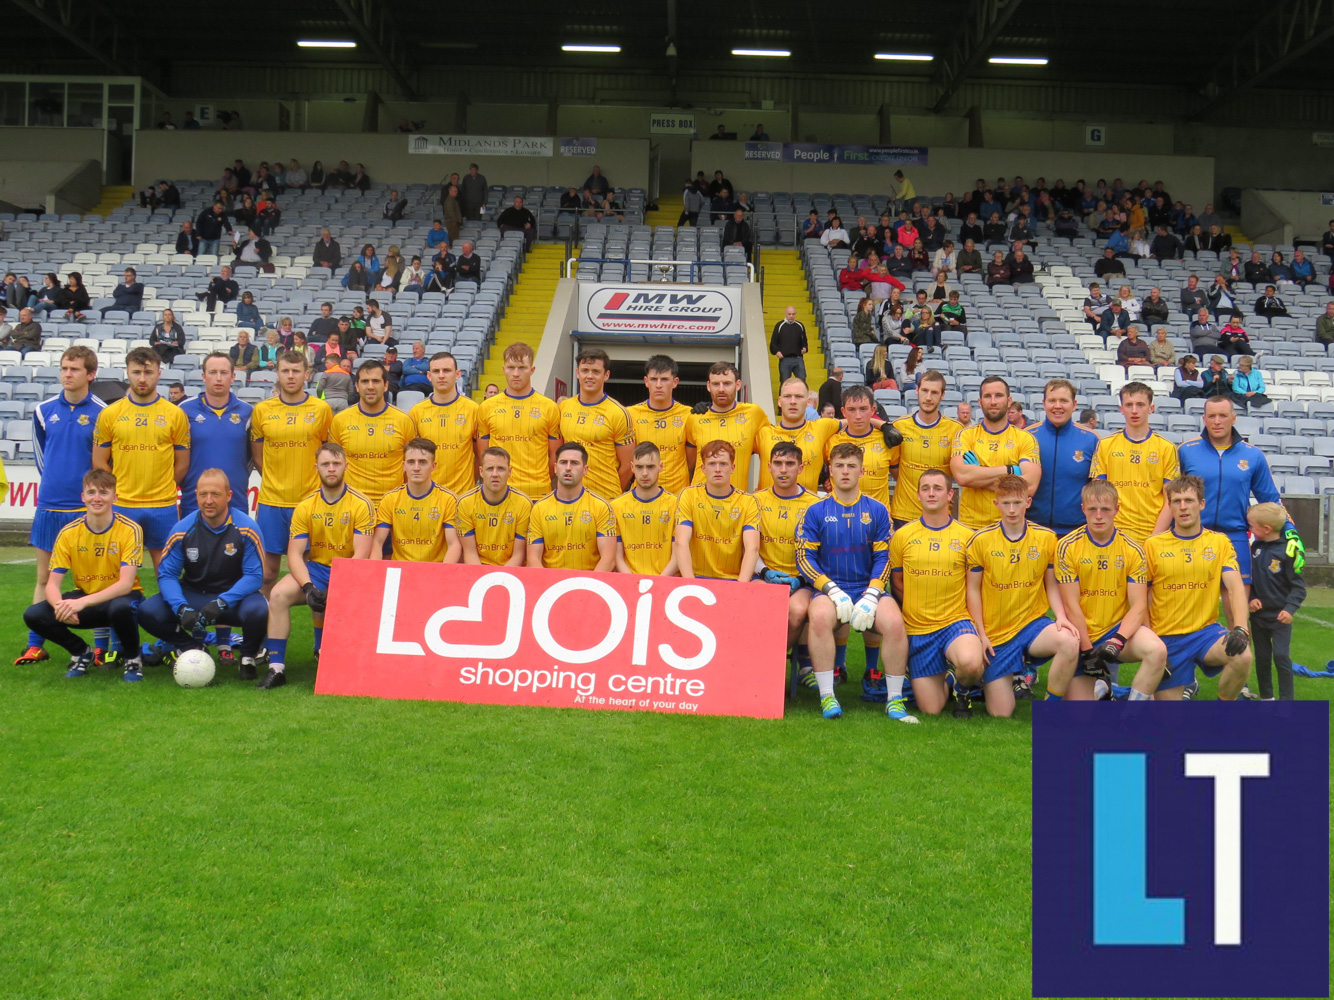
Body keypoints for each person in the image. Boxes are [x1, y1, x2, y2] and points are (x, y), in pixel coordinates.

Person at [797, 442, 915, 722]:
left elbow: (885, 557)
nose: (845, 471)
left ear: (862, 471)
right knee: (820, 618)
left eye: (851, 466)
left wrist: (873, 594)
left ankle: (894, 700)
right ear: (830, 471)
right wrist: (831, 590)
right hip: (831, 589)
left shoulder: (877, 510)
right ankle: (828, 695)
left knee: (896, 624)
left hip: (867, 588)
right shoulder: (814, 511)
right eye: (839, 465)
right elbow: (804, 558)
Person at [16, 347, 107, 667]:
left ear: (90, 375)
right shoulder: (43, 410)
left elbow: (103, 463)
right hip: (50, 506)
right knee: (43, 577)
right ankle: (35, 645)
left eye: (75, 369)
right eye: (64, 368)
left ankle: (99, 647)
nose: (67, 374)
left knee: (95, 581)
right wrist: (54, 486)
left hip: (85, 509)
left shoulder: (101, 412)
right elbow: (42, 457)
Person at [261, 442, 374, 689]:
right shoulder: (305, 507)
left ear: (346, 465)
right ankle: (276, 668)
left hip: (349, 572)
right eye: (325, 464)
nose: (331, 469)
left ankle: (331, 654)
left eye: (336, 463)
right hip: (317, 570)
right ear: (316, 468)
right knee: (278, 595)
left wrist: (338, 587)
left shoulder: (361, 504)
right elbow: (294, 554)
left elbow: (362, 554)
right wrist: (308, 587)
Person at [138, 469, 269, 679]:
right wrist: (181, 607)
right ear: (196, 495)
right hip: (195, 594)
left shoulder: (247, 527)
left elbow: (254, 577)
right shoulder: (182, 529)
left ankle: (247, 658)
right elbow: (167, 575)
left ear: (229, 496)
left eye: (215, 494)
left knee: (259, 610)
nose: (208, 501)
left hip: (233, 598)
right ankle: (193, 646)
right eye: (203, 494)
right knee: (147, 611)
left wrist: (222, 602)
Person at [964, 474, 1080, 710]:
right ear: (996, 504)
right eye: (1006, 503)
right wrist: (981, 634)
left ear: (1028, 502)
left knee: (1069, 641)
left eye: (1017, 503)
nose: (1012, 509)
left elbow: (1051, 585)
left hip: (1031, 625)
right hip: (997, 635)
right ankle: (982, 681)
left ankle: (1052, 705)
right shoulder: (980, 540)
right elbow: (973, 591)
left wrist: (1060, 617)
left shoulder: (1047, 538)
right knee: (1000, 713)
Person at [22, 470, 145, 680]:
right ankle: (81, 652)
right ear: (83, 497)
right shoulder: (68, 533)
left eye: (103, 493)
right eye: (91, 492)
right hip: (88, 600)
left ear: (114, 497)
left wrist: (82, 603)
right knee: (34, 614)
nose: (97, 498)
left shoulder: (130, 529)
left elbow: (125, 585)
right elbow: (52, 585)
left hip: (122, 599)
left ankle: (132, 659)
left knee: (121, 607)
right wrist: (60, 606)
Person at [1053, 481, 1167, 701]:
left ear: (1117, 509)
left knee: (1157, 650)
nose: (1098, 516)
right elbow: (1071, 605)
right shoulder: (1067, 546)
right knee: (1080, 717)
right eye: (1092, 509)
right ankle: (1105, 687)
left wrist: (1118, 639)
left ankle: (1130, 717)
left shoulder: (1133, 549)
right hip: (1080, 636)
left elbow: (1139, 606)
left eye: (1105, 509)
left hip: (1117, 631)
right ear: (1083, 509)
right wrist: (1087, 653)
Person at [1144, 475, 1253, 700]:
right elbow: (1141, 597)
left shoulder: (1220, 542)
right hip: (1166, 639)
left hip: (1205, 634)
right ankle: (1184, 685)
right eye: (1176, 501)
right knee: (1168, 730)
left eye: (1189, 500)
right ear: (1170, 506)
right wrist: (1151, 643)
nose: (1183, 507)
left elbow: (1235, 588)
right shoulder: (1153, 545)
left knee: (1242, 656)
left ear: (1201, 504)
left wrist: (1241, 628)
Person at [888, 469, 986, 717]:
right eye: (926, 488)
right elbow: (897, 583)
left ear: (950, 494)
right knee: (931, 709)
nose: (931, 493)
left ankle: (963, 690)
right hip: (919, 629)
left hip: (955, 622)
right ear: (918, 494)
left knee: (971, 662)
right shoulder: (902, 536)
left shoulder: (968, 537)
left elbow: (975, 586)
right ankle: (951, 679)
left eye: (938, 488)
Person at [91, 348, 189, 567]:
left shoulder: (175, 414)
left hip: (162, 506)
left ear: (159, 373)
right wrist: (117, 490)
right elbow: (99, 462)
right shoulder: (109, 414)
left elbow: (182, 463)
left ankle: (169, 603)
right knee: (116, 571)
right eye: (136, 372)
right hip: (123, 503)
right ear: (127, 372)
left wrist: (165, 487)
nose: (142, 379)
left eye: (148, 372)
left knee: (166, 570)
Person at [249, 352, 334, 593]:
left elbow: (328, 454)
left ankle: (319, 627)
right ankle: (263, 629)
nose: (290, 376)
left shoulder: (321, 409)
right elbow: (258, 455)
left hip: (310, 502)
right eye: (285, 371)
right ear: (277, 374)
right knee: (267, 574)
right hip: (271, 502)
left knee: (315, 571)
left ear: (306, 374)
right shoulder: (263, 410)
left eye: (296, 371)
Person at [1177, 396, 1280, 589]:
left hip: (1235, 536)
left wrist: (1290, 532)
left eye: (1223, 416)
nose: (1217, 421)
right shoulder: (1185, 451)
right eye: (1212, 416)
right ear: (1204, 419)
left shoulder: (1253, 455)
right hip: (1193, 535)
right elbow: (1171, 497)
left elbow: (1271, 500)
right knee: (1188, 606)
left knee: (1237, 606)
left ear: (1233, 418)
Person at [751, 441, 820, 681]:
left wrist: (801, 578)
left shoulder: (815, 505)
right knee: (758, 605)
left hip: (801, 581)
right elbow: (749, 548)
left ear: (800, 468)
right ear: (768, 467)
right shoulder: (754, 501)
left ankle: (772, 664)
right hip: (762, 576)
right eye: (778, 464)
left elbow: (819, 552)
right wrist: (764, 572)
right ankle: (758, 662)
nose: (783, 469)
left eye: (790, 464)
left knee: (798, 611)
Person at [1085, 382, 1178, 544]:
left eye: (1140, 405)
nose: (1134, 410)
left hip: (1152, 535)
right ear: (1122, 409)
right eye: (1129, 405)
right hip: (1114, 535)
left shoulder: (1166, 448)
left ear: (1151, 408)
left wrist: (1154, 538)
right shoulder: (1106, 445)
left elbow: (1170, 500)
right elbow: (1098, 496)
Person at [950, 376, 1040, 530]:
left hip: (1009, 528)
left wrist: (978, 475)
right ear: (980, 402)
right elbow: (963, 477)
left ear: (1009, 400)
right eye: (987, 396)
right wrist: (1011, 470)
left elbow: (1029, 486)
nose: (993, 401)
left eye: (998, 395)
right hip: (971, 528)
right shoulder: (964, 435)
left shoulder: (1026, 438)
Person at [477, 342, 561, 499]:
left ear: (532, 370)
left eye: (522, 367)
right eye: (511, 367)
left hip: (538, 492)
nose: (516, 373)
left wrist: (539, 481)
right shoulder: (487, 407)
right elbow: (483, 453)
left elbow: (554, 455)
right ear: (503, 369)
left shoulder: (549, 407)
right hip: (500, 492)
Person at [329, 360, 415, 509]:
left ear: (386, 385)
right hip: (351, 507)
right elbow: (333, 467)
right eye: (364, 381)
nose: (370, 386)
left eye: (376, 381)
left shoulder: (404, 420)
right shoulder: (340, 420)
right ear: (356, 386)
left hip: (392, 508)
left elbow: (412, 468)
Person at [179, 352, 252, 525]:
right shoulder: (183, 411)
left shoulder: (248, 412)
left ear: (233, 376)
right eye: (212, 373)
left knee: (235, 552)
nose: (218, 378)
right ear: (203, 376)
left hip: (236, 502)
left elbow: (251, 457)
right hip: (194, 503)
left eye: (224, 373)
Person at [674, 440, 760, 583]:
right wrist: (691, 584)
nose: (718, 469)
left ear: (732, 468)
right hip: (696, 578)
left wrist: (740, 587)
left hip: (733, 580)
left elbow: (753, 548)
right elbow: (681, 543)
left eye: (723, 464)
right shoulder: (688, 496)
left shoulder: (748, 502)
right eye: (712, 464)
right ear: (703, 468)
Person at [1246, 502, 1306, 701]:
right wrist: (1251, 598)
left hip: (1280, 618)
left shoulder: (1288, 552)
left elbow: (1298, 587)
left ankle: (1287, 701)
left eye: (1252, 526)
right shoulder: (1255, 547)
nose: (1250, 530)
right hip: (1258, 617)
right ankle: (1267, 699)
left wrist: (1290, 610)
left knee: (1281, 657)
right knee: (1262, 659)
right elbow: (1251, 580)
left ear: (1266, 529)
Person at [886, 371, 960, 527]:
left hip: (939, 515)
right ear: (917, 390)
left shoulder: (955, 429)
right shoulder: (899, 426)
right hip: (903, 513)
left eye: (934, 392)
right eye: (925, 390)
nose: (928, 397)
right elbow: (893, 466)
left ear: (943, 395)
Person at [526, 442, 615, 571]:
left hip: (588, 584)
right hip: (551, 585)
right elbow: (533, 559)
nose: (568, 468)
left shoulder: (601, 506)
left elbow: (608, 560)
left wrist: (586, 587)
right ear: (555, 468)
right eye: (563, 462)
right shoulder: (539, 508)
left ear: (585, 469)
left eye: (574, 463)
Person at [558, 348, 633, 499]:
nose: (589, 376)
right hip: (570, 497)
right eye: (585, 370)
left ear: (606, 375)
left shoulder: (618, 412)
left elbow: (628, 465)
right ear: (577, 373)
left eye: (596, 371)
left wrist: (612, 497)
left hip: (606, 497)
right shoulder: (563, 407)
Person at [1027, 379, 1099, 536]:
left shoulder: (1091, 440)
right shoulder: (1027, 437)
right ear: (1044, 403)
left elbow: (1098, 488)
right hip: (1032, 530)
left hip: (1077, 532)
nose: (1057, 406)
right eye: (1052, 400)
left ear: (1074, 405)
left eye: (1063, 401)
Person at [371, 438, 461, 563]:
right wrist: (375, 569)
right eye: (411, 462)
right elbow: (377, 542)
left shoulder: (449, 499)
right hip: (400, 570)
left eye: (423, 462)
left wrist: (442, 575)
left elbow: (454, 544)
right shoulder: (390, 499)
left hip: (435, 570)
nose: (416, 468)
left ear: (433, 466)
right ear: (404, 466)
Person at [686, 361, 770, 492]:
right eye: (715, 384)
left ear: (738, 385)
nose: (721, 389)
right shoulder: (695, 417)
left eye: (727, 383)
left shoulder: (754, 414)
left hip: (737, 504)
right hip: (699, 502)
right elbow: (688, 464)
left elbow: (769, 450)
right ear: (708, 386)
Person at [756, 377, 846, 493]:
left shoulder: (821, 427)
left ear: (808, 401)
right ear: (779, 401)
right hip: (767, 508)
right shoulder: (763, 433)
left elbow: (855, 421)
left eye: (798, 397)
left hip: (808, 509)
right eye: (787, 396)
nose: (793, 401)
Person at [625, 356, 693, 495]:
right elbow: (625, 460)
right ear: (646, 381)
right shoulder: (630, 414)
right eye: (654, 379)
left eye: (664, 379)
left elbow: (691, 461)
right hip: (641, 495)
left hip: (677, 496)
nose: (659, 385)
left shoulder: (689, 415)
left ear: (675, 382)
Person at [610, 442, 679, 576]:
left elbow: (678, 555)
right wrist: (632, 582)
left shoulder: (676, 504)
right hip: (629, 583)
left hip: (667, 582)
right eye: (640, 467)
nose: (645, 473)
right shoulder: (616, 506)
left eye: (650, 467)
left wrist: (659, 581)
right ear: (632, 467)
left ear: (661, 467)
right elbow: (616, 557)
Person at [456, 447, 531, 566]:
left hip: (511, 571)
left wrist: (500, 579)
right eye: (490, 469)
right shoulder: (465, 502)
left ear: (509, 471)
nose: (495, 474)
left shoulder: (523, 503)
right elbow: (470, 553)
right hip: (478, 569)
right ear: (481, 471)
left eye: (500, 469)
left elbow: (519, 554)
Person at [769, 306, 808, 383]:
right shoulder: (779, 325)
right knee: (784, 382)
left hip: (798, 358)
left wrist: (805, 348)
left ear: (795, 314)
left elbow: (804, 340)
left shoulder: (800, 325)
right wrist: (777, 351)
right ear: (785, 314)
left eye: (793, 314)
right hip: (785, 359)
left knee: (802, 380)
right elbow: (773, 342)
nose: (791, 316)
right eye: (789, 314)